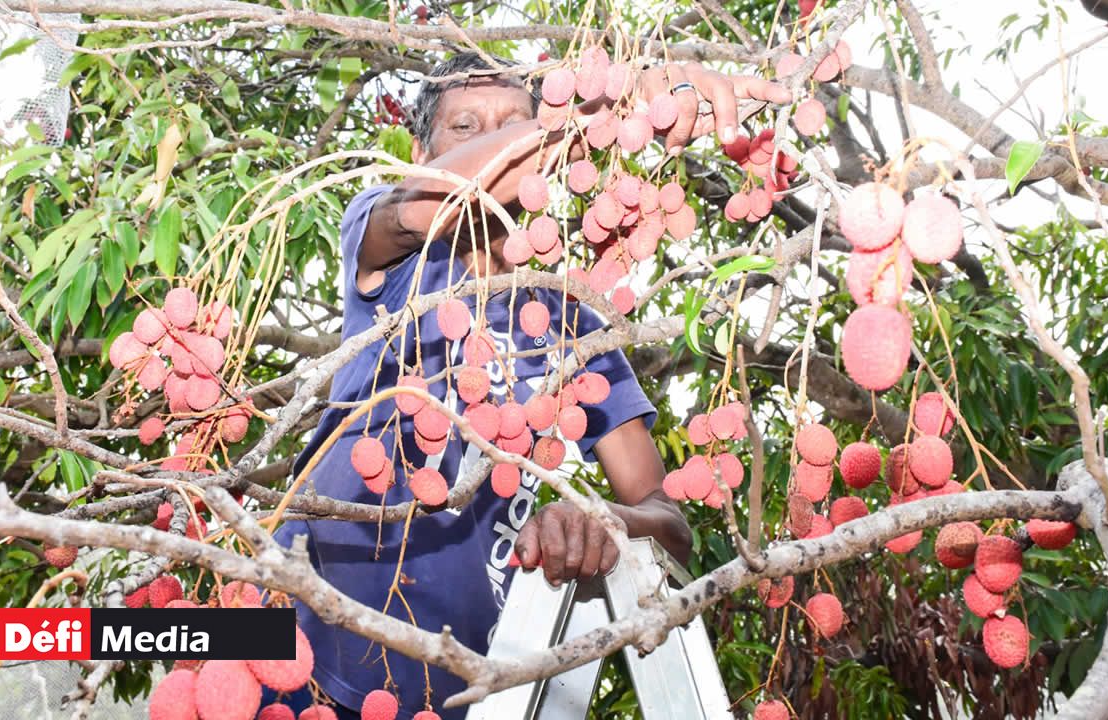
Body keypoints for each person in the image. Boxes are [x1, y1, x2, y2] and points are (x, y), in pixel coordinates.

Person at [265, 51, 790, 720]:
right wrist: (608, 104)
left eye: (514, 122)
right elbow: (439, 200)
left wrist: (603, 520)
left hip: (455, 684)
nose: (494, 139)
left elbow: (669, 519)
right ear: (423, 150)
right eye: (467, 127)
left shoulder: (571, 323)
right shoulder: (391, 247)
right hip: (291, 642)